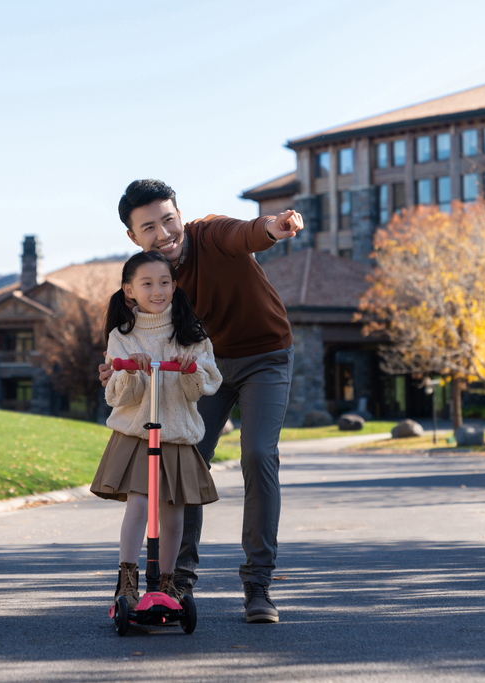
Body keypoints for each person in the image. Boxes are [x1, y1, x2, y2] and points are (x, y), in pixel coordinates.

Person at [101, 179, 303, 623]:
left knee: (258, 455)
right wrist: (116, 367)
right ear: (133, 237)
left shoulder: (209, 233)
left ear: (180, 215)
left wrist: (273, 226)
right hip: (198, 371)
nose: (165, 233)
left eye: (169, 219)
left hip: (263, 357)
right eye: (149, 227)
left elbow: (247, 232)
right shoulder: (152, 280)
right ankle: (176, 580)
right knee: (183, 460)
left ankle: (258, 585)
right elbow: (136, 337)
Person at [91, 250, 223, 611]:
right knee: (138, 506)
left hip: (176, 435)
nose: (157, 290)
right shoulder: (123, 337)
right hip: (137, 435)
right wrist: (132, 371)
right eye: (147, 283)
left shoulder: (191, 334)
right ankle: (128, 579)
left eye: (164, 282)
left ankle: (168, 582)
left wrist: (189, 369)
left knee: (174, 511)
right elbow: (118, 394)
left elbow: (204, 385)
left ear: (174, 285)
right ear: (129, 291)